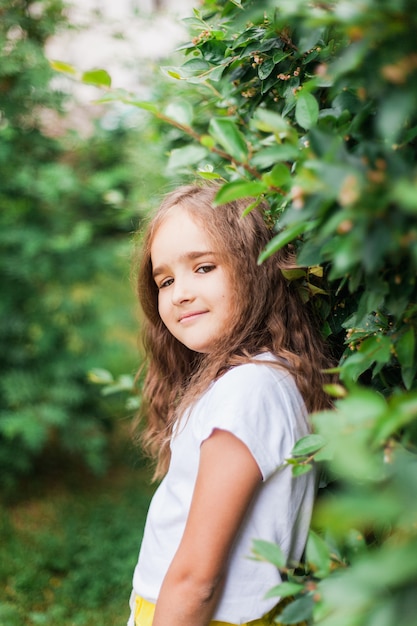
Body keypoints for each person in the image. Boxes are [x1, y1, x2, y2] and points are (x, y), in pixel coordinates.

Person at [127, 183, 332, 626]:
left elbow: (197, 578)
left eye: (203, 267)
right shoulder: (258, 379)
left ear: (256, 269)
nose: (179, 292)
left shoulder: (249, 391)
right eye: (165, 280)